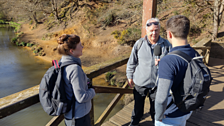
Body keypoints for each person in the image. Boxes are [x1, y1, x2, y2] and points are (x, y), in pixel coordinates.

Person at [126, 18, 171, 126]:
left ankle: (155, 123)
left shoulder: (166, 45)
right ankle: (134, 123)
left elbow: (172, 64)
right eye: (151, 30)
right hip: (140, 83)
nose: (154, 33)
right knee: (137, 108)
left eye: (156, 30)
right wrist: (129, 76)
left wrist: (163, 63)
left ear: (160, 30)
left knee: (156, 109)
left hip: (157, 84)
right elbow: (131, 62)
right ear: (146, 31)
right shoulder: (139, 43)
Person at [155, 15, 198, 126]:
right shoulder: (195, 54)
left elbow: (161, 99)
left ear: (169, 34)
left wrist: (158, 116)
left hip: (170, 116)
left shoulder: (168, 61)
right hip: (187, 110)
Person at [57, 34, 95, 126]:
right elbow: (81, 97)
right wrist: (93, 91)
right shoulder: (74, 69)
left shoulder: (61, 63)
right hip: (79, 117)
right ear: (72, 51)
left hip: (70, 116)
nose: (82, 47)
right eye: (80, 45)